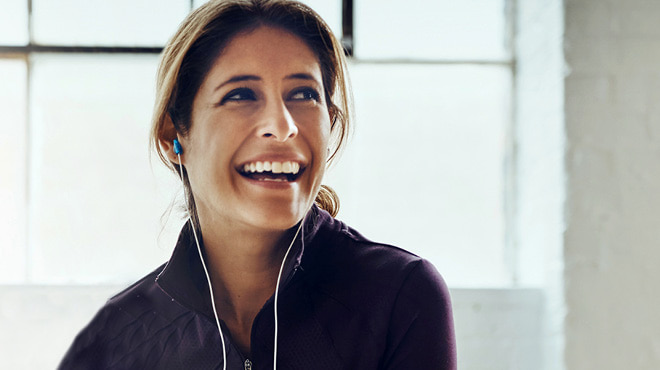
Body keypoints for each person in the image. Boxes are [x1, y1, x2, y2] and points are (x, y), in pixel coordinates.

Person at [59, 0, 456, 369]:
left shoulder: (400, 298)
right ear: (174, 137)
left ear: (330, 124)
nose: (283, 126)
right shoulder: (115, 341)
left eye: (303, 94)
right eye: (241, 95)